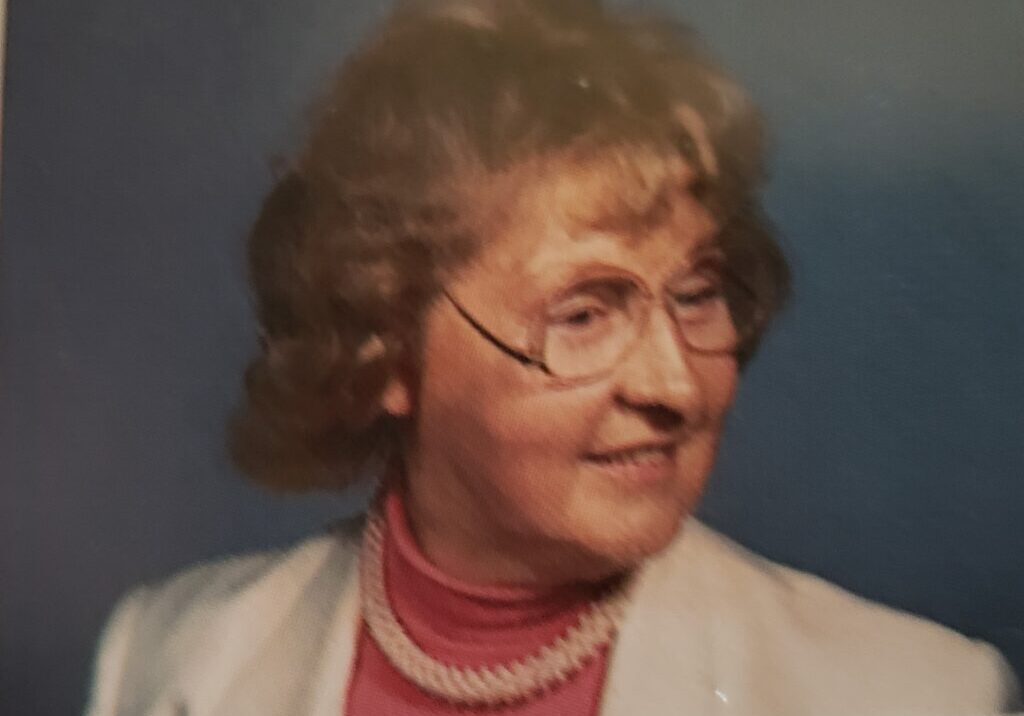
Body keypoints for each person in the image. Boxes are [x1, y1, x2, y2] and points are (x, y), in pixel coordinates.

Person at [85, 1, 1020, 714]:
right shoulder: (171, 658)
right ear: (381, 351)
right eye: (583, 313)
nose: (676, 385)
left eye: (695, 295)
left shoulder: (918, 693)